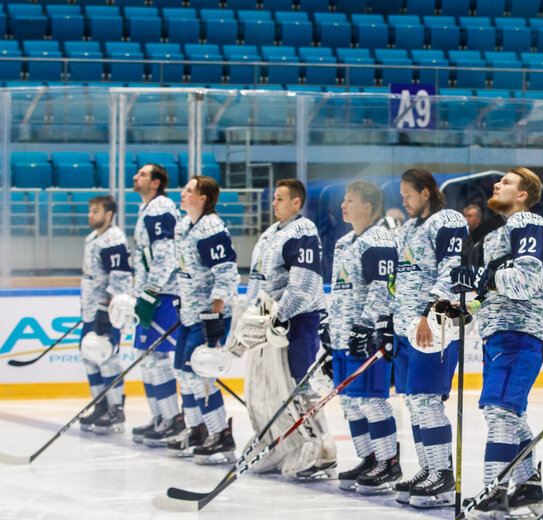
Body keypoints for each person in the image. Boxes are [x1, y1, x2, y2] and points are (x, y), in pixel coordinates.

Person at [446, 169, 543, 520]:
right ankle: (527, 486)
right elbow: (492, 287)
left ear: (524, 194)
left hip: (520, 331)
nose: (497, 185)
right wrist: (467, 305)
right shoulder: (499, 233)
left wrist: (480, 278)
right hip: (498, 331)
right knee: (509, 412)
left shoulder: (528, 224)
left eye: (507, 183)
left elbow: (524, 281)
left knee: (499, 412)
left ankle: (493, 495)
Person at [236, 177, 335, 479]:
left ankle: (322, 453)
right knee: (270, 391)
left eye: (280, 198)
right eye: (274, 198)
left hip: (298, 322)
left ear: (296, 202)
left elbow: (303, 285)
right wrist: (253, 315)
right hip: (271, 322)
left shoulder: (303, 231)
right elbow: (257, 280)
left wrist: (277, 316)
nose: (274, 203)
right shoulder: (269, 235)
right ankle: (282, 446)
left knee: (299, 387)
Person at [389, 169, 468, 508]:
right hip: (406, 327)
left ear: (425, 192)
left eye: (408, 194)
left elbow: (451, 267)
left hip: (432, 328)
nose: (403, 201)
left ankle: (442, 475)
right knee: (414, 402)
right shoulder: (408, 229)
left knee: (427, 400)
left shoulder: (448, 220)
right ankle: (427, 468)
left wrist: (427, 311)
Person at [329, 180, 402, 494]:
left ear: (368, 207)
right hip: (342, 336)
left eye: (350, 200)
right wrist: (328, 325)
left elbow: (382, 289)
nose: (343, 206)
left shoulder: (381, 240)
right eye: (344, 200)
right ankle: (368, 456)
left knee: (372, 401)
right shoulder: (344, 243)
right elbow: (340, 289)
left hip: (366, 336)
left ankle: (388, 461)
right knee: (351, 402)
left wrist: (366, 325)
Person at [166, 175, 239, 463]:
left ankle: (220, 433)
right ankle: (197, 428)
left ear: (204, 198)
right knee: (183, 373)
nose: (182, 193)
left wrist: (215, 311)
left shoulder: (211, 229)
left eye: (188, 190)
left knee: (201, 373)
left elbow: (227, 272)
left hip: (208, 315)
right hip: (189, 312)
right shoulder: (183, 226)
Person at [130, 163, 183, 448]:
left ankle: (172, 419)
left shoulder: (160, 209)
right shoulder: (147, 209)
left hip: (162, 295)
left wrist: (151, 291)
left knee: (157, 358)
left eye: (142, 174)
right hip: (151, 294)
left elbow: (166, 255)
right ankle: (159, 417)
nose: (135, 177)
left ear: (156, 182)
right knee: (145, 357)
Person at [78, 195, 133, 434]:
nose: (91, 215)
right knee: (88, 356)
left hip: (107, 312)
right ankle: (100, 404)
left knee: (107, 357)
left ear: (108, 214)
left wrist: (105, 310)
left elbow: (120, 278)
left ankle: (116, 407)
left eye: (96, 211)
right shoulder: (92, 238)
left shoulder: (114, 240)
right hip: (90, 311)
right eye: (90, 211)